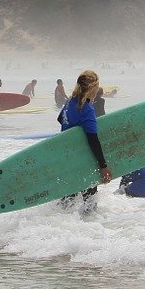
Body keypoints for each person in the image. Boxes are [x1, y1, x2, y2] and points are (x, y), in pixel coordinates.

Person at [56, 70, 113, 212]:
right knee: (90, 206)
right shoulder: (86, 108)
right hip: (83, 161)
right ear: (93, 88)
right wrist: (103, 166)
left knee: (67, 202)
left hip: (66, 158)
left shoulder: (69, 102)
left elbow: (60, 119)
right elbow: (93, 140)